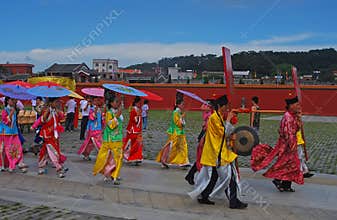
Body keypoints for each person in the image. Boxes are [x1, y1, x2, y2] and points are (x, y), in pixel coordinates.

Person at [188, 95, 247, 209]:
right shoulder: (214, 118)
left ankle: (204, 196)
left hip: (216, 152)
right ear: (220, 106)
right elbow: (224, 133)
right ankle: (233, 201)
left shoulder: (218, 117)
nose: (226, 108)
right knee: (229, 177)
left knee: (213, 176)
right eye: (225, 106)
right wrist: (229, 120)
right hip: (218, 154)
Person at [251, 96, 304, 192]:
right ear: (291, 106)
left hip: (290, 145)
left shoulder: (293, 116)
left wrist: (299, 119)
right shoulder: (287, 117)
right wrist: (291, 145)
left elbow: (297, 128)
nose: (298, 106)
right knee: (285, 164)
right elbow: (288, 133)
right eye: (296, 105)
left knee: (291, 165)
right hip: (287, 145)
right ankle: (278, 180)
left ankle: (286, 184)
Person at [93, 96, 124, 185]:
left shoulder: (118, 113)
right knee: (108, 157)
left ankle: (115, 174)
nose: (118, 104)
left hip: (118, 138)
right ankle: (108, 173)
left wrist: (118, 115)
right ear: (111, 103)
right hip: (110, 139)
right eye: (116, 102)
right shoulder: (109, 113)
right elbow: (110, 126)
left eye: (119, 102)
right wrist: (117, 117)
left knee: (118, 157)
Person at [185, 100, 213, 185]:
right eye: (206, 106)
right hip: (205, 135)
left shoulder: (209, 113)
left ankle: (191, 175)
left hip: (205, 134)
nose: (206, 107)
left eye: (208, 106)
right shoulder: (209, 114)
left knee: (201, 158)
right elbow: (206, 127)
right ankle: (193, 175)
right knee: (201, 157)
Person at [156, 99, 190, 168]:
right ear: (178, 105)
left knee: (182, 146)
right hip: (175, 132)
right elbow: (178, 123)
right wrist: (182, 118)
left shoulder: (178, 112)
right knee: (172, 147)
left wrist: (182, 118)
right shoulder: (175, 112)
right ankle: (164, 160)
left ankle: (183, 161)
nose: (183, 106)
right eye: (182, 104)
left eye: (183, 104)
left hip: (179, 132)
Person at [38, 97, 67, 178]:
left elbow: (61, 118)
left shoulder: (56, 111)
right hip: (47, 134)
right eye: (55, 102)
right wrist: (48, 111)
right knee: (53, 151)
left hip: (54, 135)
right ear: (50, 103)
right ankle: (59, 168)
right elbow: (43, 120)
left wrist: (60, 110)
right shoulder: (46, 110)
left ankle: (41, 166)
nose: (57, 103)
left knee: (45, 151)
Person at [0, 97, 27, 173]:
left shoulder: (15, 109)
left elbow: (15, 121)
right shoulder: (5, 110)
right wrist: (11, 113)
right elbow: (5, 121)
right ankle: (10, 165)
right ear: (8, 101)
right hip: (6, 133)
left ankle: (18, 163)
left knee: (18, 148)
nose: (14, 101)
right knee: (8, 150)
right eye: (12, 100)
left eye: (15, 100)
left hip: (14, 132)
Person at [123, 96, 143, 165]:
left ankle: (137, 157)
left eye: (140, 103)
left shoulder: (138, 110)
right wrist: (138, 115)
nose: (140, 104)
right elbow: (133, 120)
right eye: (139, 103)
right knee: (133, 144)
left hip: (138, 130)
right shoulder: (133, 110)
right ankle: (131, 157)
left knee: (139, 144)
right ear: (136, 103)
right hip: (133, 130)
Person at [296, 111, 314, 178]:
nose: (301, 115)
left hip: (299, 141)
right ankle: (300, 171)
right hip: (295, 142)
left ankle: (305, 170)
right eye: (299, 114)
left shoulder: (298, 120)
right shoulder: (294, 120)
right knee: (299, 157)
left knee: (300, 156)